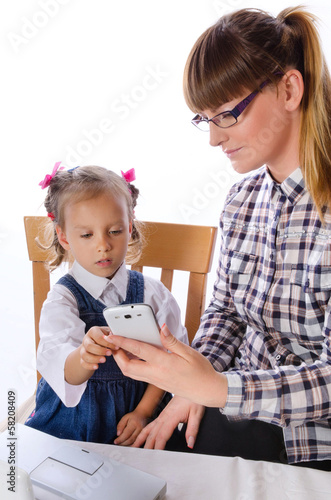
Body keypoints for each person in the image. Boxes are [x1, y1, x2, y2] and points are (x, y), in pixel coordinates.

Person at [106, 6, 331, 470]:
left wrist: (216, 389)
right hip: (235, 408)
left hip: (310, 441)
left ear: (289, 89)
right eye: (203, 119)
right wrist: (190, 387)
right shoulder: (240, 201)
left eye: (226, 114)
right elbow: (226, 312)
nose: (213, 138)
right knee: (127, 460)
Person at [25, 164, 188, 445]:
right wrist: (85, 355)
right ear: (64, 236)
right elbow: (65, 372)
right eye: (87, 235)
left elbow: (173, 363)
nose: (103, 245)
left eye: (114, 231)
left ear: (130, 226)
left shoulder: (153, 293)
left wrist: (143, 412)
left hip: (138, 416)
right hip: (74, 423)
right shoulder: (63, 300)